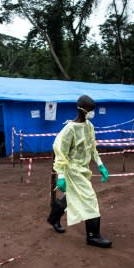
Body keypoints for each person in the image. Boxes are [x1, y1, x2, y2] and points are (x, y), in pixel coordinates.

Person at [46, 95, 112, 248]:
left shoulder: (89, 126)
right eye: (90, 110)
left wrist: (100, 165)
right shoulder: (69, 129)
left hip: (83, 169)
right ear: (82, 110)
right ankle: (93, 236)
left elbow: (92, 147)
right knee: (90, 198)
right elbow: (60, 153)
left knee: (71, 196)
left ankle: (53, 218)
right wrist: (61, 176)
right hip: (72, 170)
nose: (92, 113)